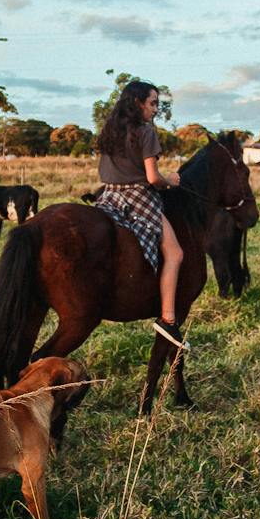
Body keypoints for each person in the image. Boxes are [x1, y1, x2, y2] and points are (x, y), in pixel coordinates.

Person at [92, 79, 184, 348]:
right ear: (137, 103)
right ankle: (168, 319)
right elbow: (153, 178)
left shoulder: (110, 129)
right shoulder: (146, 132)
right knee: (175, 253)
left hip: (109, 195)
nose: (156, 109)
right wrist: (172, 181)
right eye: (153, 103)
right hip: (138, 196)